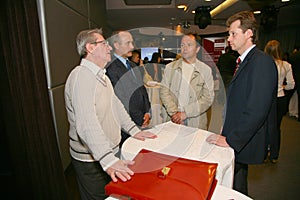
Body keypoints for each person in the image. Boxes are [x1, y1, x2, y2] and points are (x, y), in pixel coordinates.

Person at [64, 28, 156, 200]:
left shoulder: (102, 77)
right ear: (90, 48)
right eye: (104, 43)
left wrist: (135, 131)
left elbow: (117, 107)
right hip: (91, 161)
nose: (109, 48)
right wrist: (108, 159)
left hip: (108, 153)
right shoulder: (81, 76)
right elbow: (86, 124)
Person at [206, 11, 278, 196]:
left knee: (237, 186)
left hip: (241, 139)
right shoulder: (246, 61)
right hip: (237, 134)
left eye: (233, 34)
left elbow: (257, 110)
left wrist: (231, 139)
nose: (229, 39)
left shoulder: (261, 62)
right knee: (236, 183)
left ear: (249, 34)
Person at [160, 33, 215, 130]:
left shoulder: (205, 70)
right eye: (182, 45)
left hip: (195, 120)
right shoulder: (170, 68)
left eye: (189, 45)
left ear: (197, 49)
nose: (184, 48)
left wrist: (186, 113)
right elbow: (164, 91)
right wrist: (175, 114)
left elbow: (208, 98)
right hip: (172, 118)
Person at [106, 31, 151, 146]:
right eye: (128, 43)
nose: (132, 46)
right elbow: (120, 98)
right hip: (127, 126)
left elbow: (142, 90)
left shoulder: (133, 65)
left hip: (140, 120)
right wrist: (139, 119)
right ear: (116, 45)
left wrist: (147, 111)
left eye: (132, 43)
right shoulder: (111, 68)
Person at [264, 40, 295, 163]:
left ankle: (264, 153)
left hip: (267, 99)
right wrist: (282, 87)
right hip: (280, 98)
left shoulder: (264, 64)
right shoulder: (286, 65)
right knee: (276, 127)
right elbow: (291, 85)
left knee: (265, 127)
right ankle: (274, 155)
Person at [289, 45, 300, 121]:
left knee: (290, 95)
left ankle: (290, 110)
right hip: (297, 78)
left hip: (293, 76)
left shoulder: (293, 56)